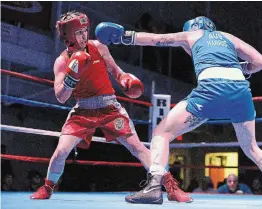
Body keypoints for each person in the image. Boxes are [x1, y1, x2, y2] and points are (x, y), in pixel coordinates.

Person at [96, 16, 262, 206]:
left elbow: (156, 39)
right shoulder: (228, 37)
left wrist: (123, 37)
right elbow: (261, 62)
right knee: (252, 148)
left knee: (162, 133)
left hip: (210, 90)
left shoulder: (192, 34)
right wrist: (241, 69)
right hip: (240, 93)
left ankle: (153, 188)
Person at [29, 11, 192, 203]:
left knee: (137, 148)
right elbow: (61, 97)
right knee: (61, 151)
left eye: (85, 31)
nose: (84, 36)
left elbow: (117, 71)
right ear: (68, 36)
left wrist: (125, 80)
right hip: (83, 110)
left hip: (110, 107)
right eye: (79, 32)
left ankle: (171, 187)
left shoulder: (99, 47)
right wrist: (72, 77)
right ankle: (47, 188)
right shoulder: (62, 62)